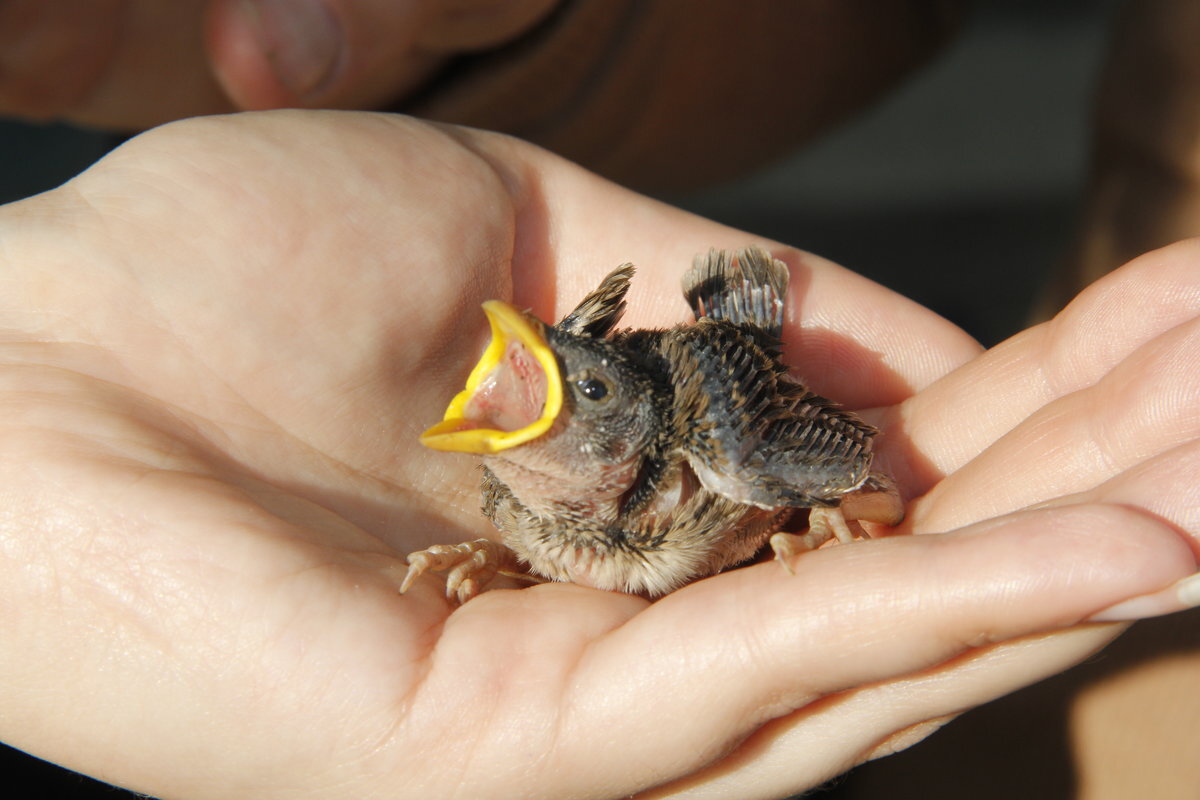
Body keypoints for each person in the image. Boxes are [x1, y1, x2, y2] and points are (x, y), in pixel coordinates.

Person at [1, 3, 1198, 798]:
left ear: (627, 429)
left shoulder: (713, 449)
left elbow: (854, 472)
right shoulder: (504, 500)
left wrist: (844, 500)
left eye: (571, 385)